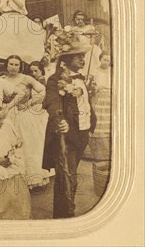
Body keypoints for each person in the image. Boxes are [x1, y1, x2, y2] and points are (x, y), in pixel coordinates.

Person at [42, 41, 97, 218]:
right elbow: (52, 103)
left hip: (82, 133)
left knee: (71, 176)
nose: (83, 59)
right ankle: (64, 216)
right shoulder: (55, 79)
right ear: (66, 58)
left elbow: (84, 104)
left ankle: (64, 213)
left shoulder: (81, 78)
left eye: (83, 56)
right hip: (65, 136)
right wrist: (60, 121)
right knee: (67, 178)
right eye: (78, 56)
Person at [1, 55, 50, 189]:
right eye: (11, 64)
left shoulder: (26, 79)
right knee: (8, 145)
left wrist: (29, 103)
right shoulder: (2, 80)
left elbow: (42, 91)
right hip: (7, 115)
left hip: (24, 115)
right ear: (6, 65)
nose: (13, 67)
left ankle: (30, 178)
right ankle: (10, 177)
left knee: (28, 145)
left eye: (17, 65)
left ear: (21, 66)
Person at [88, 51, 112, 162]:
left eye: (108, 60)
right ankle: (97, 151)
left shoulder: (112, 71)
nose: (106, 62)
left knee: (107, 123)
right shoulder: (94, 71)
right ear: (100, 59)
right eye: (104, 59)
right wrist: (94, 87)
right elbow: (90, 86)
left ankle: (107, 151)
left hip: (109, 98)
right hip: (98, 98)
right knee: (98, 122)